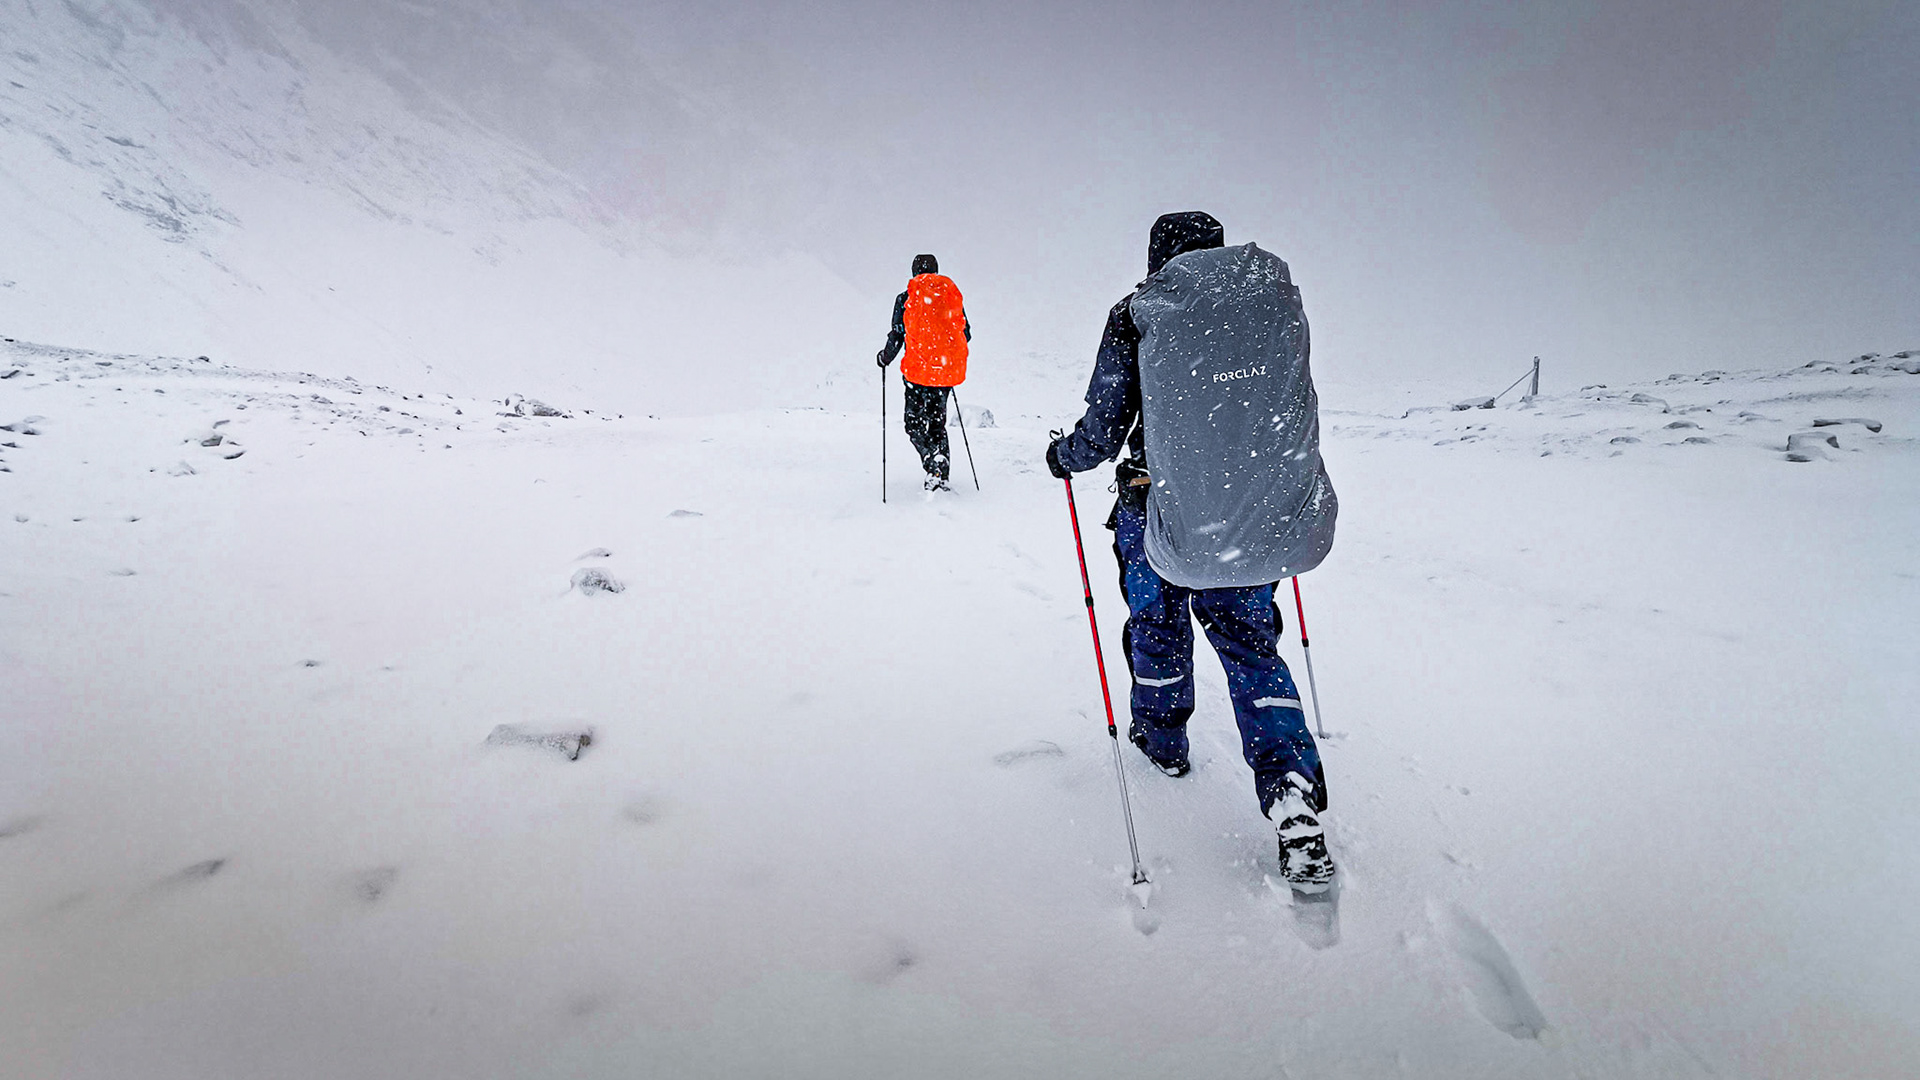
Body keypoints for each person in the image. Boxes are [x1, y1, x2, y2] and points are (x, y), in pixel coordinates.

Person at [1044, 212, 1339, 891]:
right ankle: (1290, 786)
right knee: (1250, 648)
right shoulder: (1263, 309)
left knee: (1157, 629)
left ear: (1157, 255)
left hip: (1156, 515)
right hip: (1244, 517)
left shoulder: (1139, 312)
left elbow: (1103, 426)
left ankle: (1162, 740)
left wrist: (1064, 456)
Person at [878, 253, 971, 492]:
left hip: (917, 375)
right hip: (943, 375)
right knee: (937, 425)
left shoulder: (906, 298)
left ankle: (932, 463)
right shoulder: (949, 298)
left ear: (913, 272)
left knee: (914, 424)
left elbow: (898, 333)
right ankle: (942, 474)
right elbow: (965, 333)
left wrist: (885, 357)